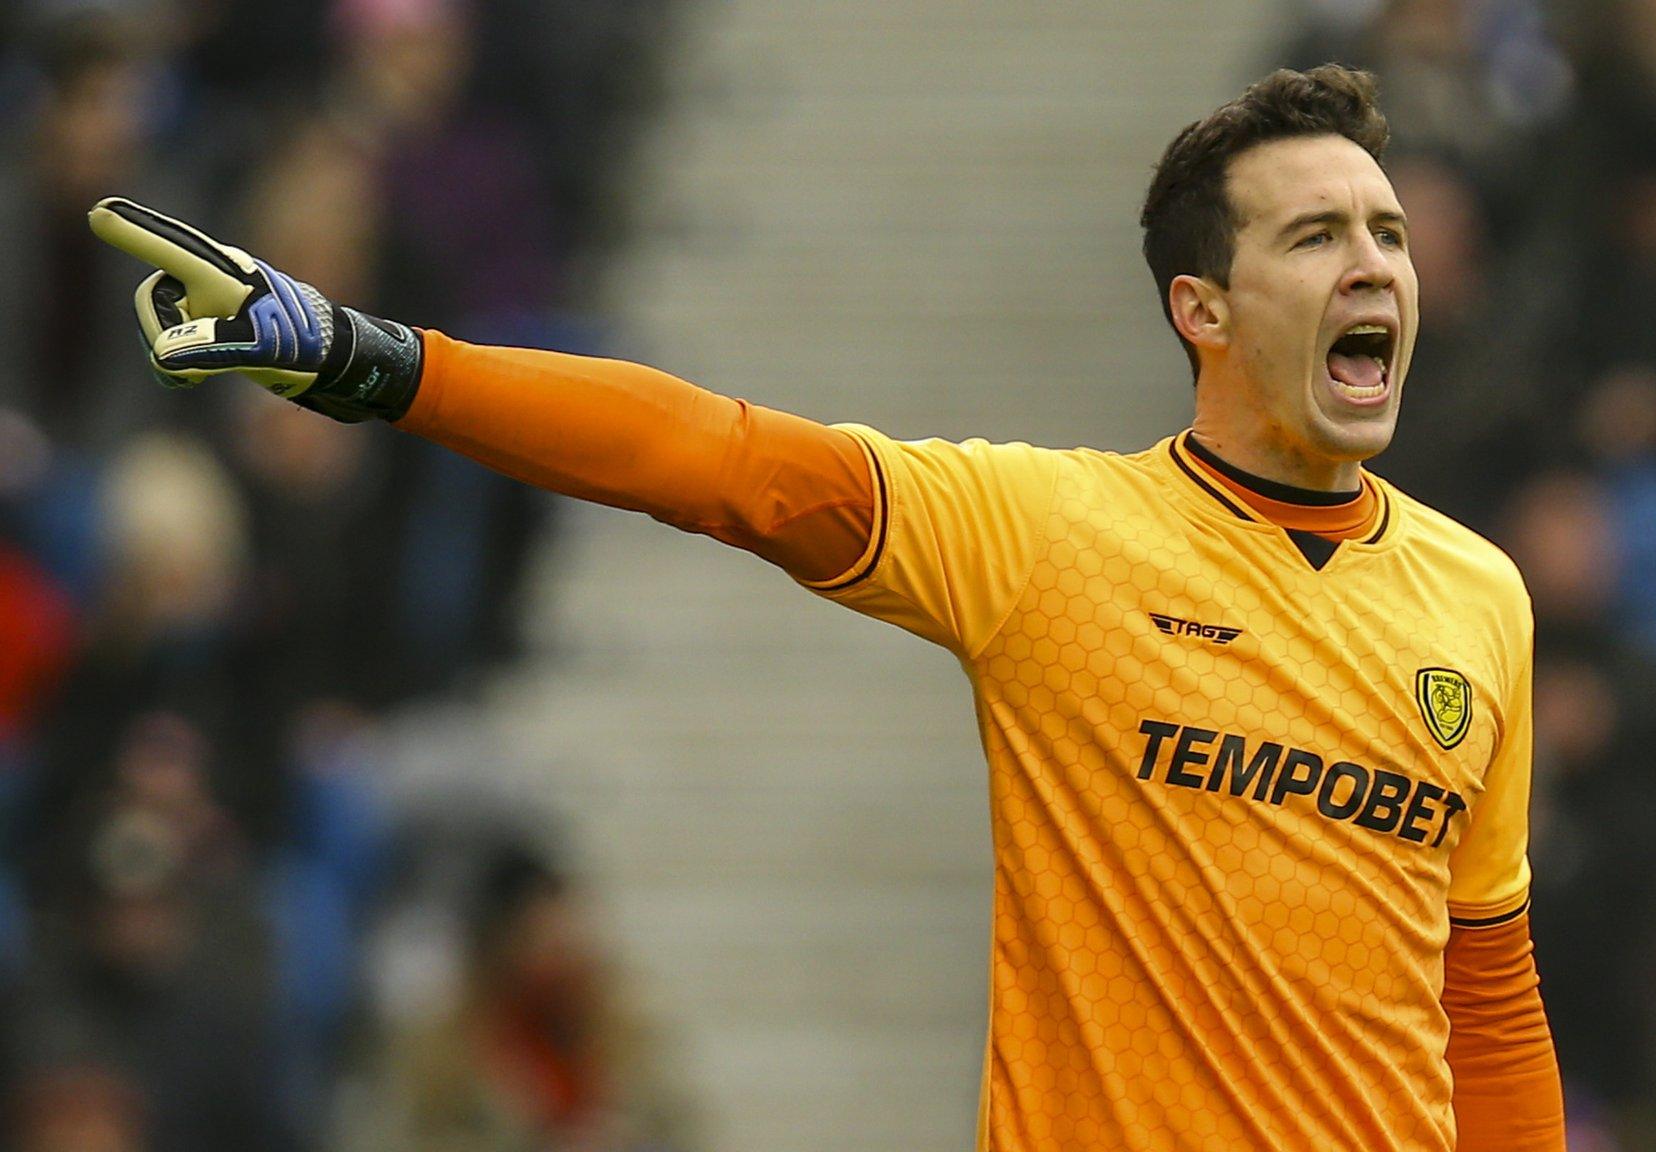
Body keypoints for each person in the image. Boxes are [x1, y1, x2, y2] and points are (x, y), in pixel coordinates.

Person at [88, 66, 1562, 1151]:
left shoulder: (1478, 599)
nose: (1375, 262)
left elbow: (1486, 995)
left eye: (1387, 234)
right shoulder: (1053, 537)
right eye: (1315, 238)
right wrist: (383, 362)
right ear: (1203, 309)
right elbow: (713, 457)